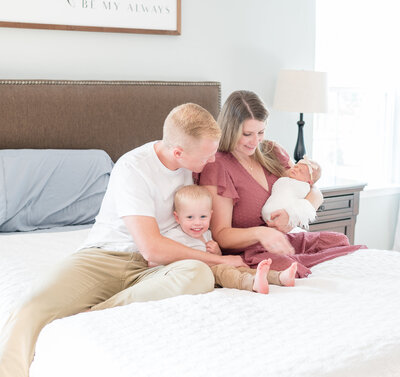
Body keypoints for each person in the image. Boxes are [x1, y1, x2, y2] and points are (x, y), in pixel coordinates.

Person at [0, 103, 248, 377]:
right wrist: (220, 259)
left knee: (198, 274)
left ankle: (94, 311)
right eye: (206, 156)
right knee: (30, 307)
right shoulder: (134, 167)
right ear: (178, 152)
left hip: (154, 268)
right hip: (107, 257)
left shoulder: (193, 164)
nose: (212, 161)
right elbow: (150, 246)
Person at [197, 90, 367, 278]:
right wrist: (261, 233)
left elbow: (315, 192)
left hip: (284, 241)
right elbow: (221, 234)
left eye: (260, 132)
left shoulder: (272, 151)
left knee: (338, 240)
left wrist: (293, 216)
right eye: (247, 134)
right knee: (288, 266)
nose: (255, 141)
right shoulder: (218, 165)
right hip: (249, 252)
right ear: (230, 130)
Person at [163, 185, 298, 294]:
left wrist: (216, 251)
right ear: (177, 217)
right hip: (202, 273)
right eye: (190, 217)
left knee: (241, 269)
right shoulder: (174, 236)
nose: (197, 223)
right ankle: (252, 284)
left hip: (216, 266)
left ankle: (279, 277)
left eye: (203, 217)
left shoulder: (206, 234)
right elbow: (162, 258)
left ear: (210, 215)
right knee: (225, 272)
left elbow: (217, 257)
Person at [262, 156, 322, 229]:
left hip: (281, 216)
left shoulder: (304, 186)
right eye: (296, 166)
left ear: (309, 182)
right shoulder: (285, 179)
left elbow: (314, 195)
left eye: (301, 171)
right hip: (268, 211)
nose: (295, 169)